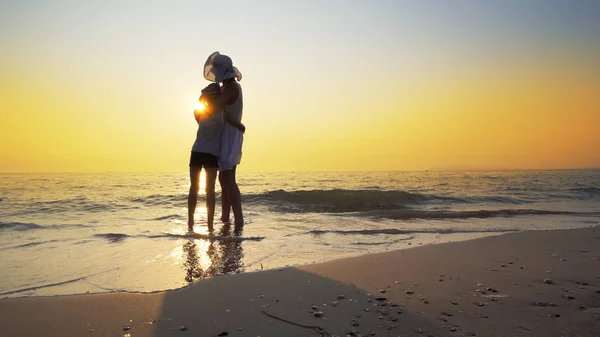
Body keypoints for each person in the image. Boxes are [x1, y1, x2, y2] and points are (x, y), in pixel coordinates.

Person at [202, 52, 245, 226]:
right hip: (227, 131)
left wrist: (206, 98)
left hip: (230, 133)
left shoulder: (232, 88)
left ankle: (238, 219)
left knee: (228, 178)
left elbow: (216, 109)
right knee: (223, 178)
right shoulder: (226, 88)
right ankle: (226, 218)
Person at [187, 83, 222, 232]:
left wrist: (202, 97)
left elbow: (198, 106)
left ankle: (190, 222)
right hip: (211, 152)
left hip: (197, 151)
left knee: (194, 188)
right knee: (210, 190)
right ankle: (210, 225)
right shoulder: (220, 113)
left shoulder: (199, 112)